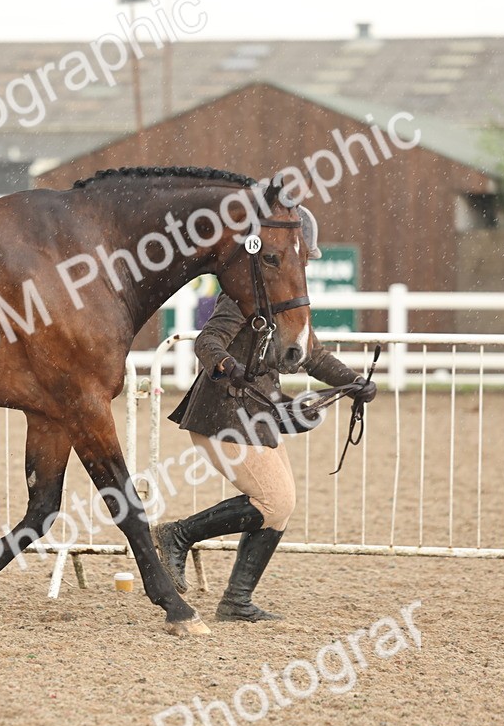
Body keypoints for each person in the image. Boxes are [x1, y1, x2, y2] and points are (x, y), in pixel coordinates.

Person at [153, 207, 377, 622]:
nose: (300, 266)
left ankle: (236, 600)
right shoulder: (242, 298)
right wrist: (226, 365)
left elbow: (313, 355)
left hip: (257, 414)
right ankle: (177, 534)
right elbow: (207, 343)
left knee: (280, 506)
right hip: (220, 415)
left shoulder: (287, 306)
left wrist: (354, 383)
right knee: (274, 501)